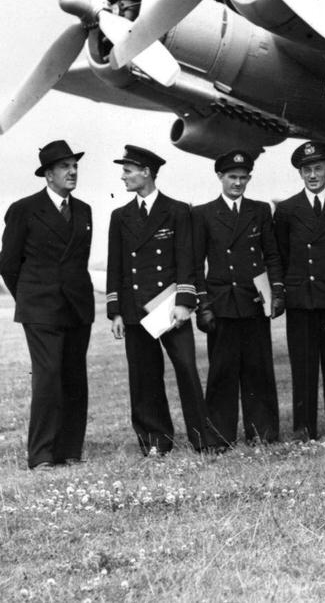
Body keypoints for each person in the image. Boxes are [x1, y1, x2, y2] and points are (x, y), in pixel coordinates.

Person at [106, 145, 223, 455]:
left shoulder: (178, 210)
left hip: (170, 306)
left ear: (146, 172)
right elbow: (115, 266)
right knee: (143, 377)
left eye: (128, 171)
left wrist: (186, 301)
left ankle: (203, 439)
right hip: (134, 310)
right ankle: (154, 441)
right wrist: (115, 312)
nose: (123, 177)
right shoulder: (120, 216)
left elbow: (188, 259)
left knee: (186, 369)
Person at [0, 140, 95, 468]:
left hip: (77, 308)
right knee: (48, 377)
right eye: (65, 167)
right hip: (40, 308)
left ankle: (69, 451)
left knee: (73, 378)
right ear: (48, 175)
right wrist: (30, 296)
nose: (72, 172)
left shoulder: (84, 211)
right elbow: (9, 263)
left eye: (75, 166)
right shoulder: (23, 209)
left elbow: (78, 262)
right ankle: (40, 455)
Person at [192, 149, 284, 445]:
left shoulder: (259, 211)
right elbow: (196, 263)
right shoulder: (203, 213)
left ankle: (263, 432)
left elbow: (271, 254)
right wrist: (202, 304)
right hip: (221, 303)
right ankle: (219, 436)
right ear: (220, 177)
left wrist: (277, 292)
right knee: (222, 372)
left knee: (259, 370)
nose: (237, 183)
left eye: (243, 178)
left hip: (254, 301)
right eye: (232, 177)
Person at [273, 140, 325, 439]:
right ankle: (303, 428)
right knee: (304, 367)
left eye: (318, 169)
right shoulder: (286, 210)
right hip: (301, 298)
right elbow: (281, 256)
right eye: (307, 170)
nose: (313, 175)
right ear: (300, 174)